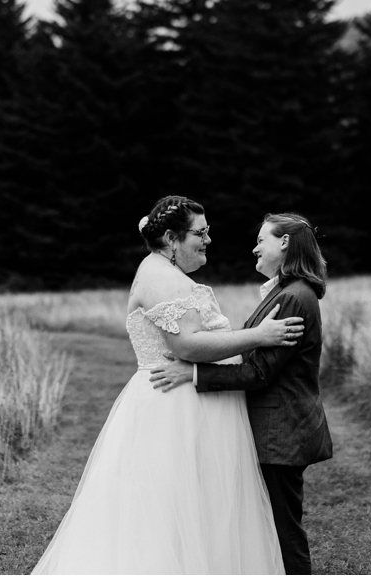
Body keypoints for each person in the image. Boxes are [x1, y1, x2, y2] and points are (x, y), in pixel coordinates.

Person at [31, 196, 305, 574]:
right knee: (172, 510)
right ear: (173, 239)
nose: (208, 240)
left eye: (208, 231)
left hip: (191, 402)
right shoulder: (162, 277)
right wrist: (259, 336)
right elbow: (187, 345)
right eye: (201, 233)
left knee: (199, 508)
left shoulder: (166, 273)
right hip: (174, 408)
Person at [150, 212, 333, 575]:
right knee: (268, 523)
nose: (254, 248)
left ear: (284, 243)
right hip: (277, 429)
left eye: (261, 240)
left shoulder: (295, 297)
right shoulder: (285, 291)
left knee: (282, 528)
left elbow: (260, 371)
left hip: (281, 432)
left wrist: (194, 372)